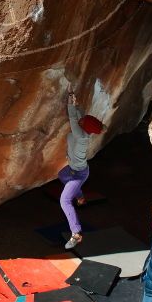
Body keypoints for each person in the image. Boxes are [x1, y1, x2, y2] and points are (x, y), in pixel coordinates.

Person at [60, 87, 103, 250]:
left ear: (83, 127)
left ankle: (76, 233)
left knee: (64, 201)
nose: (81, 120)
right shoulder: (84, 131)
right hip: (75, 170)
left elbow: (73, 117)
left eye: (83, 122)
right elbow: (80, 117)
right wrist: (76, 101)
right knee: (62, 175)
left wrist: (70, 101)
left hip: (78, 174)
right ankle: (80, 197)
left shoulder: (80, 136)